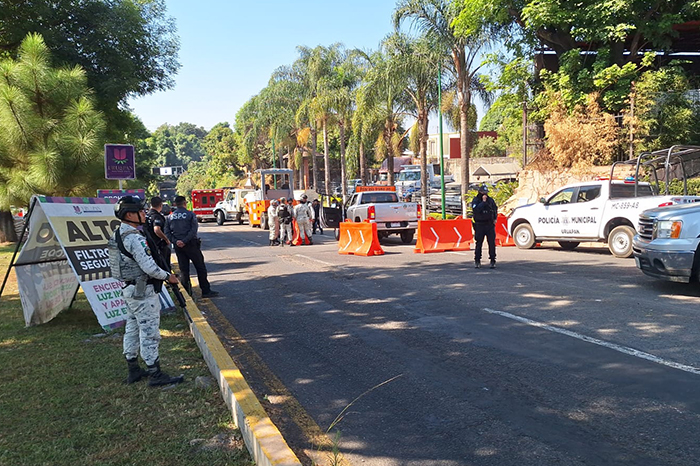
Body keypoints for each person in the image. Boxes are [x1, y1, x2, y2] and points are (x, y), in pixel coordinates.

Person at [107, 196, 184, 387]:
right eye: (140, 211)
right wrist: (168, 276)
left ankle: (133, 369)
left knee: (132, 329)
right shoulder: (135, 238)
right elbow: (149, 267)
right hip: (143, 292)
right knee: (149, 332)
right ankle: (155, 374)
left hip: (129, 289)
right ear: (129, 215)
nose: (144, 213)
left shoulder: (118, 234)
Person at [165, 195, 219, 297]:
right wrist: (184, 241)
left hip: (178, 247)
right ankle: (205, 291)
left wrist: (176, 241)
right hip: (191, 245)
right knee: (200, 267)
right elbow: (193, 230)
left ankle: (187, 293)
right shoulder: (190, 214)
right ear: (185, 203)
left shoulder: (169, 217)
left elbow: (167, 232)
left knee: (184, 270)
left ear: (175, 204)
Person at [471, 184, 498, 269]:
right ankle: (477, 260)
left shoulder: (490, 200)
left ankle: (493, 260)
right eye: (483, 192)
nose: (485, 194)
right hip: (480, 224)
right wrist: (483, 202)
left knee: (491, 243)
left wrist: (495, 218)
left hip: (489, 224)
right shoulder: (476, 200)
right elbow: (476, 210)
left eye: (486, 192)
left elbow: (494, 209)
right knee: (479, 243)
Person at [146, 196, 171, 269]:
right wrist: (166, 239)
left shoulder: (146, 216)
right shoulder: (157, 216)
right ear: (160, 205)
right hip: (159, 246)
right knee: (163, 266)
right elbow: (157, 229)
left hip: (148, 245)